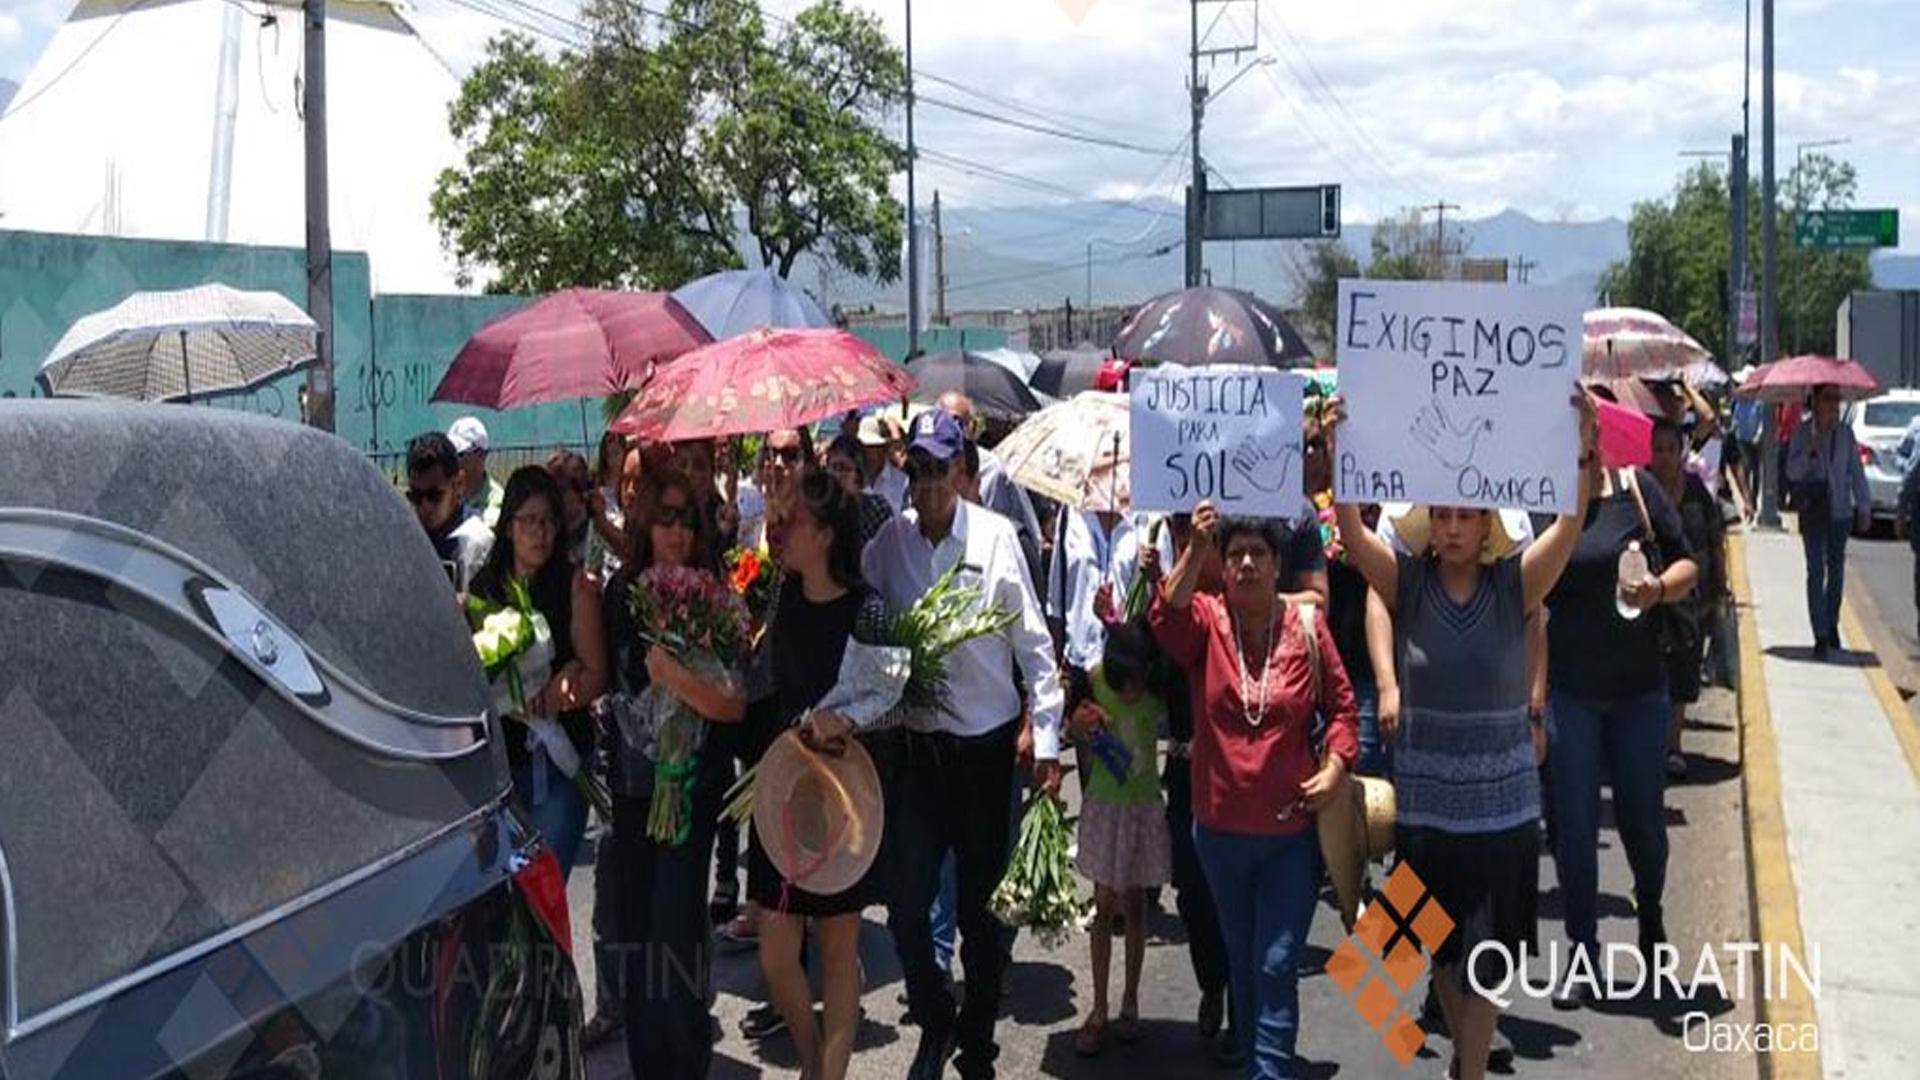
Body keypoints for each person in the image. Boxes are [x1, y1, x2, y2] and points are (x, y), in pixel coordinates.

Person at [1330, 392, 1596, 1080]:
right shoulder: (1409, 583)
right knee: (1431, 955)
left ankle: (1470, 1071)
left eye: (1464, 515)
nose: (1451, 528)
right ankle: (1464, 1060)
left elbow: (1568, 525)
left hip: (1501, 814)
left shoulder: (1516, 587)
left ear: (1486, 526)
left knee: (1482, 962)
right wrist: (1341, 449)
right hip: (1425, 813)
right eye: (1441, 515)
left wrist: (1583, 445)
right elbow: (1355, 540)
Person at [862, 409, 1064, 1080]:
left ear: (962, 472)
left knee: (982, 920)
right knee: (906, 905)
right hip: (919, 753)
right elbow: (858, 610)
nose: (925, 483)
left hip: (984, 752)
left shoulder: (999, 538)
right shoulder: (890, 545)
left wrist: (1048, 741)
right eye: (914, 470)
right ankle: (934, 1014)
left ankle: (976, 1042)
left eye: (937, 469)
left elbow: (1036, 648)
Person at [1149, 503, 1358, 1080]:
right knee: (1242, 962)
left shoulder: (1307, 628)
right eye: (1235, 552)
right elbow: (1164, 620)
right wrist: (1194, 545)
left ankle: (1270, 1072)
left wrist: (1338, 762)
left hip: (1290, 835)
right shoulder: (1207, 623)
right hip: (1219, 834)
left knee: (1276, 961)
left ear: (1276, 565)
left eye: (1257, 554)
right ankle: (1255, 1059)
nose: (1245, 564)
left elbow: (1342, 709)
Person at [1542, 431, 1699, 1010]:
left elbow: (1689, 563)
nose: (1578, 448)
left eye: (1584, 435)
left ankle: (1650, 913)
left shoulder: (1638, 491)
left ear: (1598, 436)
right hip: (1570, 695)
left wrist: (1657, 588)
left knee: (1643, 824)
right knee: (1575, 828)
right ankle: (1582, 952)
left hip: (1639, 694)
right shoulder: (1544, 505)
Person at [601, 468, 747, 1080]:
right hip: (636, 788)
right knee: (635, 922)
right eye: (665, 517)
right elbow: (612, 684)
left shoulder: (716, 592)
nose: (678, 531)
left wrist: (676, 676)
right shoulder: (622, 594)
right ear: (642, 522)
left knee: (675, 921)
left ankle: (686, 1057)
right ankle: (648, 1060)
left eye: (688, 518)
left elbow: (732, 703)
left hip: (694, 783)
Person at [752, 468, 895, 1080]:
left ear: (828, 535)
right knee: (775, 951)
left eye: (797, 523)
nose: (784, 531)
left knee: (839, 953)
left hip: (842, 795)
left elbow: (891, 693)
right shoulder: (781, 596)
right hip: (785, 788)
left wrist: (847, 720)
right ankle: (813, 1056)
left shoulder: (869, 609)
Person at [468, 467, 607, 877]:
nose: (540, 532)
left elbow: (597, 673)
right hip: (503, 769)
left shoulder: (573, 583)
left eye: (548, 521)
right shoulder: (483, 591)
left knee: (542, 889)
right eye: (529, 521)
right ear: (509, 526)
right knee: (506, 899)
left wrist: (557, 693)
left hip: (559, 763)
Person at [1140, 516, 1236, 1062]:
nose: (1190, 546)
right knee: (1194, 893)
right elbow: (1150, 663)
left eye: (1202, 541)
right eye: (1181, 537)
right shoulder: (1172, 605)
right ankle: (1213, 980)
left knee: (1238, 898)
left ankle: (1245, 1016)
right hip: (1185, 773)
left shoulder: (1239, 608)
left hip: (1243, 779)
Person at [1065, 621, 1173, 1057]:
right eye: (1121, 682)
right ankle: (1099, 1006)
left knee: (1134, 906)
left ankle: (1130, 1001)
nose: (1128, 691)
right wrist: (1082, 721)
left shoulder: (1158, 695)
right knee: (1103, 904)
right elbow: (1070, 720)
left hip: (1143, 809)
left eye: (1136, 682)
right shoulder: (1096, 683)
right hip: (1106, 808)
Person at [1651, 419, 1725, 778]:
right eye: (1657, 449)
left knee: (1683, 669)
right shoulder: (1641, 490)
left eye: (1670, 448)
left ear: (1681, 452)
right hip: (1652, 595)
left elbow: (1714, 538)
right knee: (1652, 670)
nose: (1664, 456)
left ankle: (1674, 744)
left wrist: (1719, 586)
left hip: (1693, 598)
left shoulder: (1696, 490)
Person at [1786, 384, 1872, 658]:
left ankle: (1831, 622)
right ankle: (1820, 633)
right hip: (1814, 512)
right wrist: (1809, 453)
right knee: (1815, 570)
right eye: (1829, 398)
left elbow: (1856, 473)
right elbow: (1792, 472)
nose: (1835, 404)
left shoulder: (1846, 435)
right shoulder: (1802, 433)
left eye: (1837, 398)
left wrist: (1864, 506)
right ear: (1816, 401)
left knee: (1835, 571)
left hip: (1840, 514)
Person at [938, 391, 1046, 583]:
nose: (953, 430)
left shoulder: (995, 470)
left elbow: (1028, 533)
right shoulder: (926, 469)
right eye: (945, 422)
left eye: (959, 422)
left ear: (972, 426)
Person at [404, 431, 493, 592]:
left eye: (434, 496)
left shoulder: (477, 542)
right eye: (416, 497)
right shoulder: (405, 537)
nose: (425, 507)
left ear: (458, 484)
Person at [824, 432, 896, 547]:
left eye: (844, 468)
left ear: (859, 474)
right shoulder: (821, 513)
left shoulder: (878, 509)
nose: (837, 475)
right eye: (833, 467)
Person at [448, 416, 505, 528]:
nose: (453, 460)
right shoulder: (444, 495)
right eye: (450, 453)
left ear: (481, 455)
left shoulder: (498, 502)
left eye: (460, 454)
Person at [546, 448, 596, 568]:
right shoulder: (547, 532)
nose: (556, 498)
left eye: (562, 490)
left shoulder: (598, 531)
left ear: (580, 491)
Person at [858, 412, 910, 511]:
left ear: (883, 449)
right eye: (862, 447)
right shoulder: (853, 479)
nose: (866, 453)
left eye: (871, 447)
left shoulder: (902, 481)